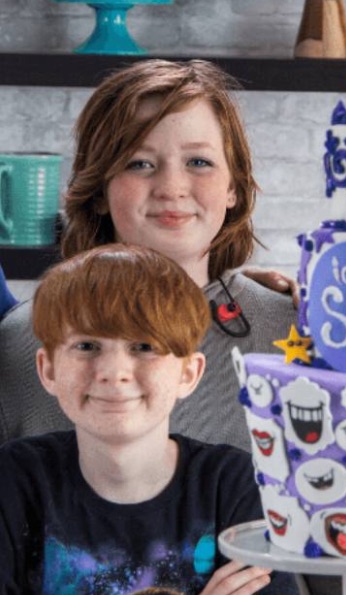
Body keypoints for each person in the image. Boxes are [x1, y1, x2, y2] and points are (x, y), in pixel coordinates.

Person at [0, 59, 297, 449]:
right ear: (99, 189)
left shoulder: (292, 330)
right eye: (139, 163)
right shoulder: (22, 339)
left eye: (199, 162)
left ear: (234, 188)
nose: (171, 187)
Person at [0, 244, 296, 594]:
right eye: (86, 347)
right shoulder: (11, 481)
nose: (113, 372)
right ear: (47, 369)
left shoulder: (236, 487)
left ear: (188, 373)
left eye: (143, 347)